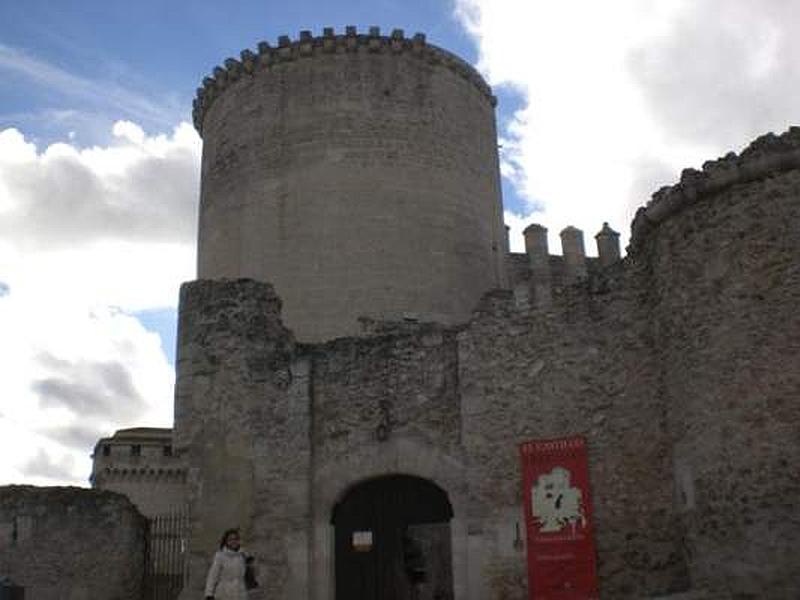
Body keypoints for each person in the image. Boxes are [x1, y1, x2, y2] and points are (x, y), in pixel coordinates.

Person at [204, 528, 252, 600]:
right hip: (224, 594)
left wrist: (249, 561)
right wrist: (209, 594)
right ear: (226, 541)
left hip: (240, 594)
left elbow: (249, 574)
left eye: (235, 539)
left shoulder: (242, 555)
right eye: (230, 539)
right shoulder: (220, 556)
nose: (233, 541)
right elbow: (213, 576)